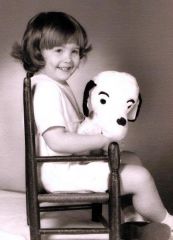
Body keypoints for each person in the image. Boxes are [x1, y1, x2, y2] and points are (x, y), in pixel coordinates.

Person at [11, 11, 173, 232]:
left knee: (131, 159)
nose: (68, 59)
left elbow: (73, 130)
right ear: (37, 51)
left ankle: (129, 216)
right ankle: (167, 223)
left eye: (74, 51)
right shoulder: (47, 90)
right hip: (60, 173)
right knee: (140, 177)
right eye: (59, 50)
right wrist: (102, 138)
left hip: (69, 164)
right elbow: (58, 142)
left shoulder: (55, 84)